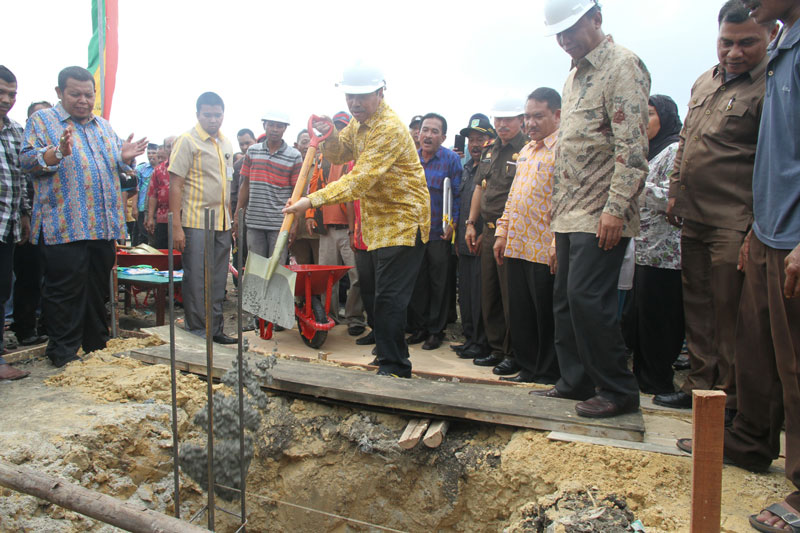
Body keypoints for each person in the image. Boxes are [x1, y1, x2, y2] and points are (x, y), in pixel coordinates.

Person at [657, 0, 776, 412]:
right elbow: (687, 140)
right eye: (726, 42)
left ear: (770, 37)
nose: (734, 52)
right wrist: (674, 190)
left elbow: (773, 162)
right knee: (699, 310)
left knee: (731, 316)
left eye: (747, 43)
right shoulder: (704, 82)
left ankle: (730, 403)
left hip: (735, 221)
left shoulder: (770, 87)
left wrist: (755, 228)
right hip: (694, 216)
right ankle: (698, 388)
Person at [534, 0, 650, 418]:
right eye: (559, 35)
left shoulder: (623, 65)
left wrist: (616, 208)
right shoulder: (574, 76)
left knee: (588, 299)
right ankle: (575, 381)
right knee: (566, 299)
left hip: (601, 211)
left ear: (596, 20)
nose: (565, 41)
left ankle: (618, 390)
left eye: (571, 31)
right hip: (570, 211)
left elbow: (633, 147)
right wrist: (555, 224)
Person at [711, 1, 800, 530]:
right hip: (769, 229)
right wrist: (754, 229)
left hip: (795, 235)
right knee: (757, 349)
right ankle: (749, 441)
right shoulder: (785, 47)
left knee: (797, 363)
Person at [283, 63, 429, 378]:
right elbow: (338, 153)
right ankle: (390, 354)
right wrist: (331, 134)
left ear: (380, 92)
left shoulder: (387, 127)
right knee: (375, 295)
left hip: (402, 223)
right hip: (375, 225)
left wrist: (312, 200)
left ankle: (395, 369)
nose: (355, 104)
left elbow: (358, 181)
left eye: (362, 97)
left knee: (390, 298)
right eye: (351, 97)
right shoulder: (359, 125)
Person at [20, 65, 147, 367]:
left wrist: (123, 156)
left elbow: (114, 163)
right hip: (64, 226)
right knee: (64, 291)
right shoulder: (42, 121)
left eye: (88, 95)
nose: (83, 100)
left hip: (102, 226)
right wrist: (56, 153)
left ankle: (95, 346)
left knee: (97, 289)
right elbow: (27, 160)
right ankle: (63, 352)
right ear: (59, 93)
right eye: (75, 94)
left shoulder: (103, 126)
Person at [493, 87, 561, 384]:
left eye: (538, 116)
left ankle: (547, 372)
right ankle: (528, 367)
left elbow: (566, 200)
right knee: (521, 313)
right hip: (516, 244)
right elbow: (513, 197)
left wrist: (558, 243)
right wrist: (501, 233)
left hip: (544, 247)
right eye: (528, 116)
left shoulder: (562, 149)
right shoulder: (527, 151)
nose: (531, 123)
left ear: (557, 115)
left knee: (544, 314)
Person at [621, 95, 684, 395]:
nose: (644, 122)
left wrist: (637, 186)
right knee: (640, 320)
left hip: (666, 252)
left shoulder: (674, 150)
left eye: (650, 115)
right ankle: (643, 378)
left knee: (661, 321)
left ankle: (658, 380)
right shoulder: (646, 152)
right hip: (642, 249)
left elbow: (674, 196)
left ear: (667, 117)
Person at [464, 97, 528, 374]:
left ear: (521, 120)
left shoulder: (527, 149)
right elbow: (480, 188)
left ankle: (513, 353)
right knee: (489, 293)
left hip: (513, 233)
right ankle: (496, 348)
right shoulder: (490, 151)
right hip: (488, 232)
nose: (503, 125)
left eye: (509, 119)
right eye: (499, 120)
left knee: (510, 295)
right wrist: (471, 224)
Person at [169, 91, 235, 344]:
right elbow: (176, 184)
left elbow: (227, 182)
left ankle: (215, 329)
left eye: (218, 115)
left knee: (219, 279)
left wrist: (231, 219)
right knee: (196, 279)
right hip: (196, 221)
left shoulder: (226, 144)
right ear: (198, 114)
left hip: (222, 221)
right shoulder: (187, 141)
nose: (213, 120)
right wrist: (177, 226)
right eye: (207, 115)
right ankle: (197, 330)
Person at [305, 112, 365, 333]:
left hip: (352, 227)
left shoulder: (356, 157)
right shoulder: (322, 155)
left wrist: (353, 230)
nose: (338, 131)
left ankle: (355, 318)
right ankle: (327, 316)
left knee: (356, 276)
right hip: (327, 227)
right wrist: (310, 214)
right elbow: (314, 186)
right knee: (325, 277)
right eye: (336, 127)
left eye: (342, 127)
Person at [407, 113, 462, 350]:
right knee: (417, 282)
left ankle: (435, 331)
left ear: (443, 136)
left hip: (440, 232)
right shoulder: (410, 158)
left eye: (434, 131)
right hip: (414, 232)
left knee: (439, 282)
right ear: (418, 133)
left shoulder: (450, 159)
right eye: (424, 130)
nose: (428, 135)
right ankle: (419, 327)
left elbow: (458, 194)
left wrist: (454, 223)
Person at [450, 113, 494, 360]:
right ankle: (469, 339)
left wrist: (479, 231)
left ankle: (481, 342)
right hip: (463, 240)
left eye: (481, 138)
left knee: (480, 294)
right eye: (472, 139)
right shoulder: (467, 168)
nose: (475, 144)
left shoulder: (490, 167)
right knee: (465, 293)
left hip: (481, 238)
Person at [233, 111, 301, 266]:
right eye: (271, 125)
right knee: (255, 268)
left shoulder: (294, 156)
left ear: (285, 128)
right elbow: (245, 185)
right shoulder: (253, 151)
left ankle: (273, 292)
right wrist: (237, 214)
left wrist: (295, 223)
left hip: (280, 225)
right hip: (254, 222)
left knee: (276, 269)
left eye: (279, 126)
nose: (275, 129)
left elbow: (296, 193)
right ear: (264, 125)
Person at [10, 100, 51, 348]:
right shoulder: (24, 145)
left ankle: (40, 325)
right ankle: (23, 326)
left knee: (45, 276)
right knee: (24, 276)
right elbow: (21, 180)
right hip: (22, 218)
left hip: (49, 220)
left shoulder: (60, 146)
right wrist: (25, 212)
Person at [0, 65, 30, 379]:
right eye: (1, 92)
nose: (6, 99)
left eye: (12, 94)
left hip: (6, 224)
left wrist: (24, 215)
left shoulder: (15, 132)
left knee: (2, 287)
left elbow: (20, 179)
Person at [230, 128, 256, 283]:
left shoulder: (264, 159)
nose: (245, 147)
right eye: (242, 144)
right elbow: (233, 195)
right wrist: (235, 218)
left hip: (264, 216)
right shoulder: (238, 165)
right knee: (242, 253)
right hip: (243, 217)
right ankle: (243, 288)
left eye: (248, 142)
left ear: (255, 140)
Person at [145, 136, 175, 249]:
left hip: (184, 218)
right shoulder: (158, 170)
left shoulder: (189, 168)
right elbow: (153, 195)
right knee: (163, 251)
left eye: (175, 145)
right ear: (165, 149)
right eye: (169, 146)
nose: (172, 148)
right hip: (163, 218)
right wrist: (150, 218)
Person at [131, 144, 158, 246]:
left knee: (155, 235)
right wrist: (134, 208)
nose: (151, 155)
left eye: (153, 153)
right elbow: (135, 189)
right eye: (149, 153)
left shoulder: (162, 169)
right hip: (142, 207)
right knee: (143, 234)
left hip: (157, 209)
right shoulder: (141, 169)